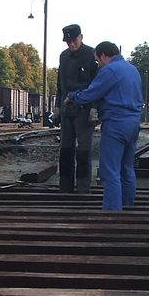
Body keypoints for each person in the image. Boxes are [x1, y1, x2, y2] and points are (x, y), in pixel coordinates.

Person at [67, 41, 143, 211]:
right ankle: (128, 209)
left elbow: (91, 94)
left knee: (110, 172)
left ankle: (113, 216)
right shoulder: (133, 70)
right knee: (127, 169)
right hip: (134, 123)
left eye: (98, 61)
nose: (99, 65)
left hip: (116, 124)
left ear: (104, 56)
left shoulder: (110, 70)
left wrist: (73, 97)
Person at [54, 24, 98, 194]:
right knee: (65, 150)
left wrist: (95, 108)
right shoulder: (63, 57)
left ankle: (83, 189)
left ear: (81, 37)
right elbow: (60, 84)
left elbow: (97, 84)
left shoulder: (91, 55)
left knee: (83, 151)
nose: (71, 44)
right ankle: (65, 187)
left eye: (73, 41)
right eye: (68, 42)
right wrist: (57, 107)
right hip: (67, 109)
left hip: (84, 111)